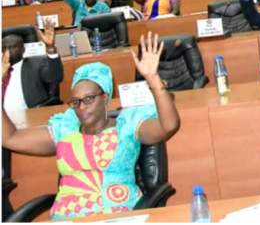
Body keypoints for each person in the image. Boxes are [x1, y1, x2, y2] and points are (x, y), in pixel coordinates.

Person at [1, 34, 181, 221]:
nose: (82, 107)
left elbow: (169, 125)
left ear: (105, 98)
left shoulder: (127, 127)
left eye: (89, 99)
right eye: (76, 102)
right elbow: (8, 137)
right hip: (68, 218)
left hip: (118, 216)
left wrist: (153, 78)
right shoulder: (65, 131)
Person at [1, 19, 63, 111]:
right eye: (3, 48)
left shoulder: (35, 65)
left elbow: (56, 77)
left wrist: (51, 48)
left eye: (12, 47)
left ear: (23, 49)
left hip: (30, 116)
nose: (7, 52)